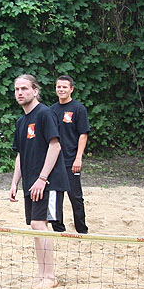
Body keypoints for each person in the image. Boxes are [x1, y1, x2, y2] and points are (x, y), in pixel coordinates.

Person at [9, 74, 70, 289]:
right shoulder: (21, 121)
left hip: (48, 181)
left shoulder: (45, 113)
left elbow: (55, 146)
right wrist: (15, 182)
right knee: (36, 226)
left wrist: (42, 178)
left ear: (35, 91)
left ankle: (50, 277)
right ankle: (43, 275)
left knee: (40, 224)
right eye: (17, 89)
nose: (20, 92)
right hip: (31, 182)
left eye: (24, 88)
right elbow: (20, 154)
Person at [49, 75, 90, 234]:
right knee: (55, 196)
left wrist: (78, 157)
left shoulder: (78, 109)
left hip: (71, 160)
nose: (61, 89)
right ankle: (58, 229)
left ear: (71, 89)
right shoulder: (51, 110)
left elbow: (83, 134)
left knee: (75, 197)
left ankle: (82, 230)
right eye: (59, 86)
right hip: (54, 161)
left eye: (64, 87)